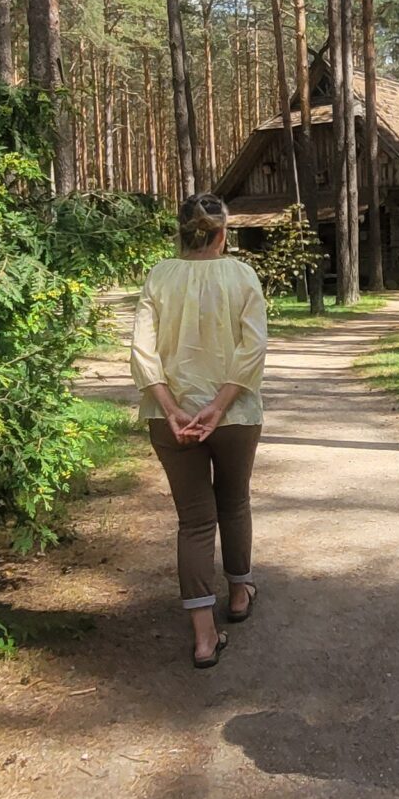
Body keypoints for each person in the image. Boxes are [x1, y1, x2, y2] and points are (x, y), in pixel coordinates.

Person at [131, 192, 268, 670]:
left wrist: (170, 407)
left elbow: (142, 351)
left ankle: (204, 637)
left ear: (182, 231)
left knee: (193, 520)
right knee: (234, 503)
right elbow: (253, 349)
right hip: (233, 415)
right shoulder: (242, 275)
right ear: (222, 232)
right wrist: (218, 405)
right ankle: (238, 594)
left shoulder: (158, 275)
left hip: (170, 418)